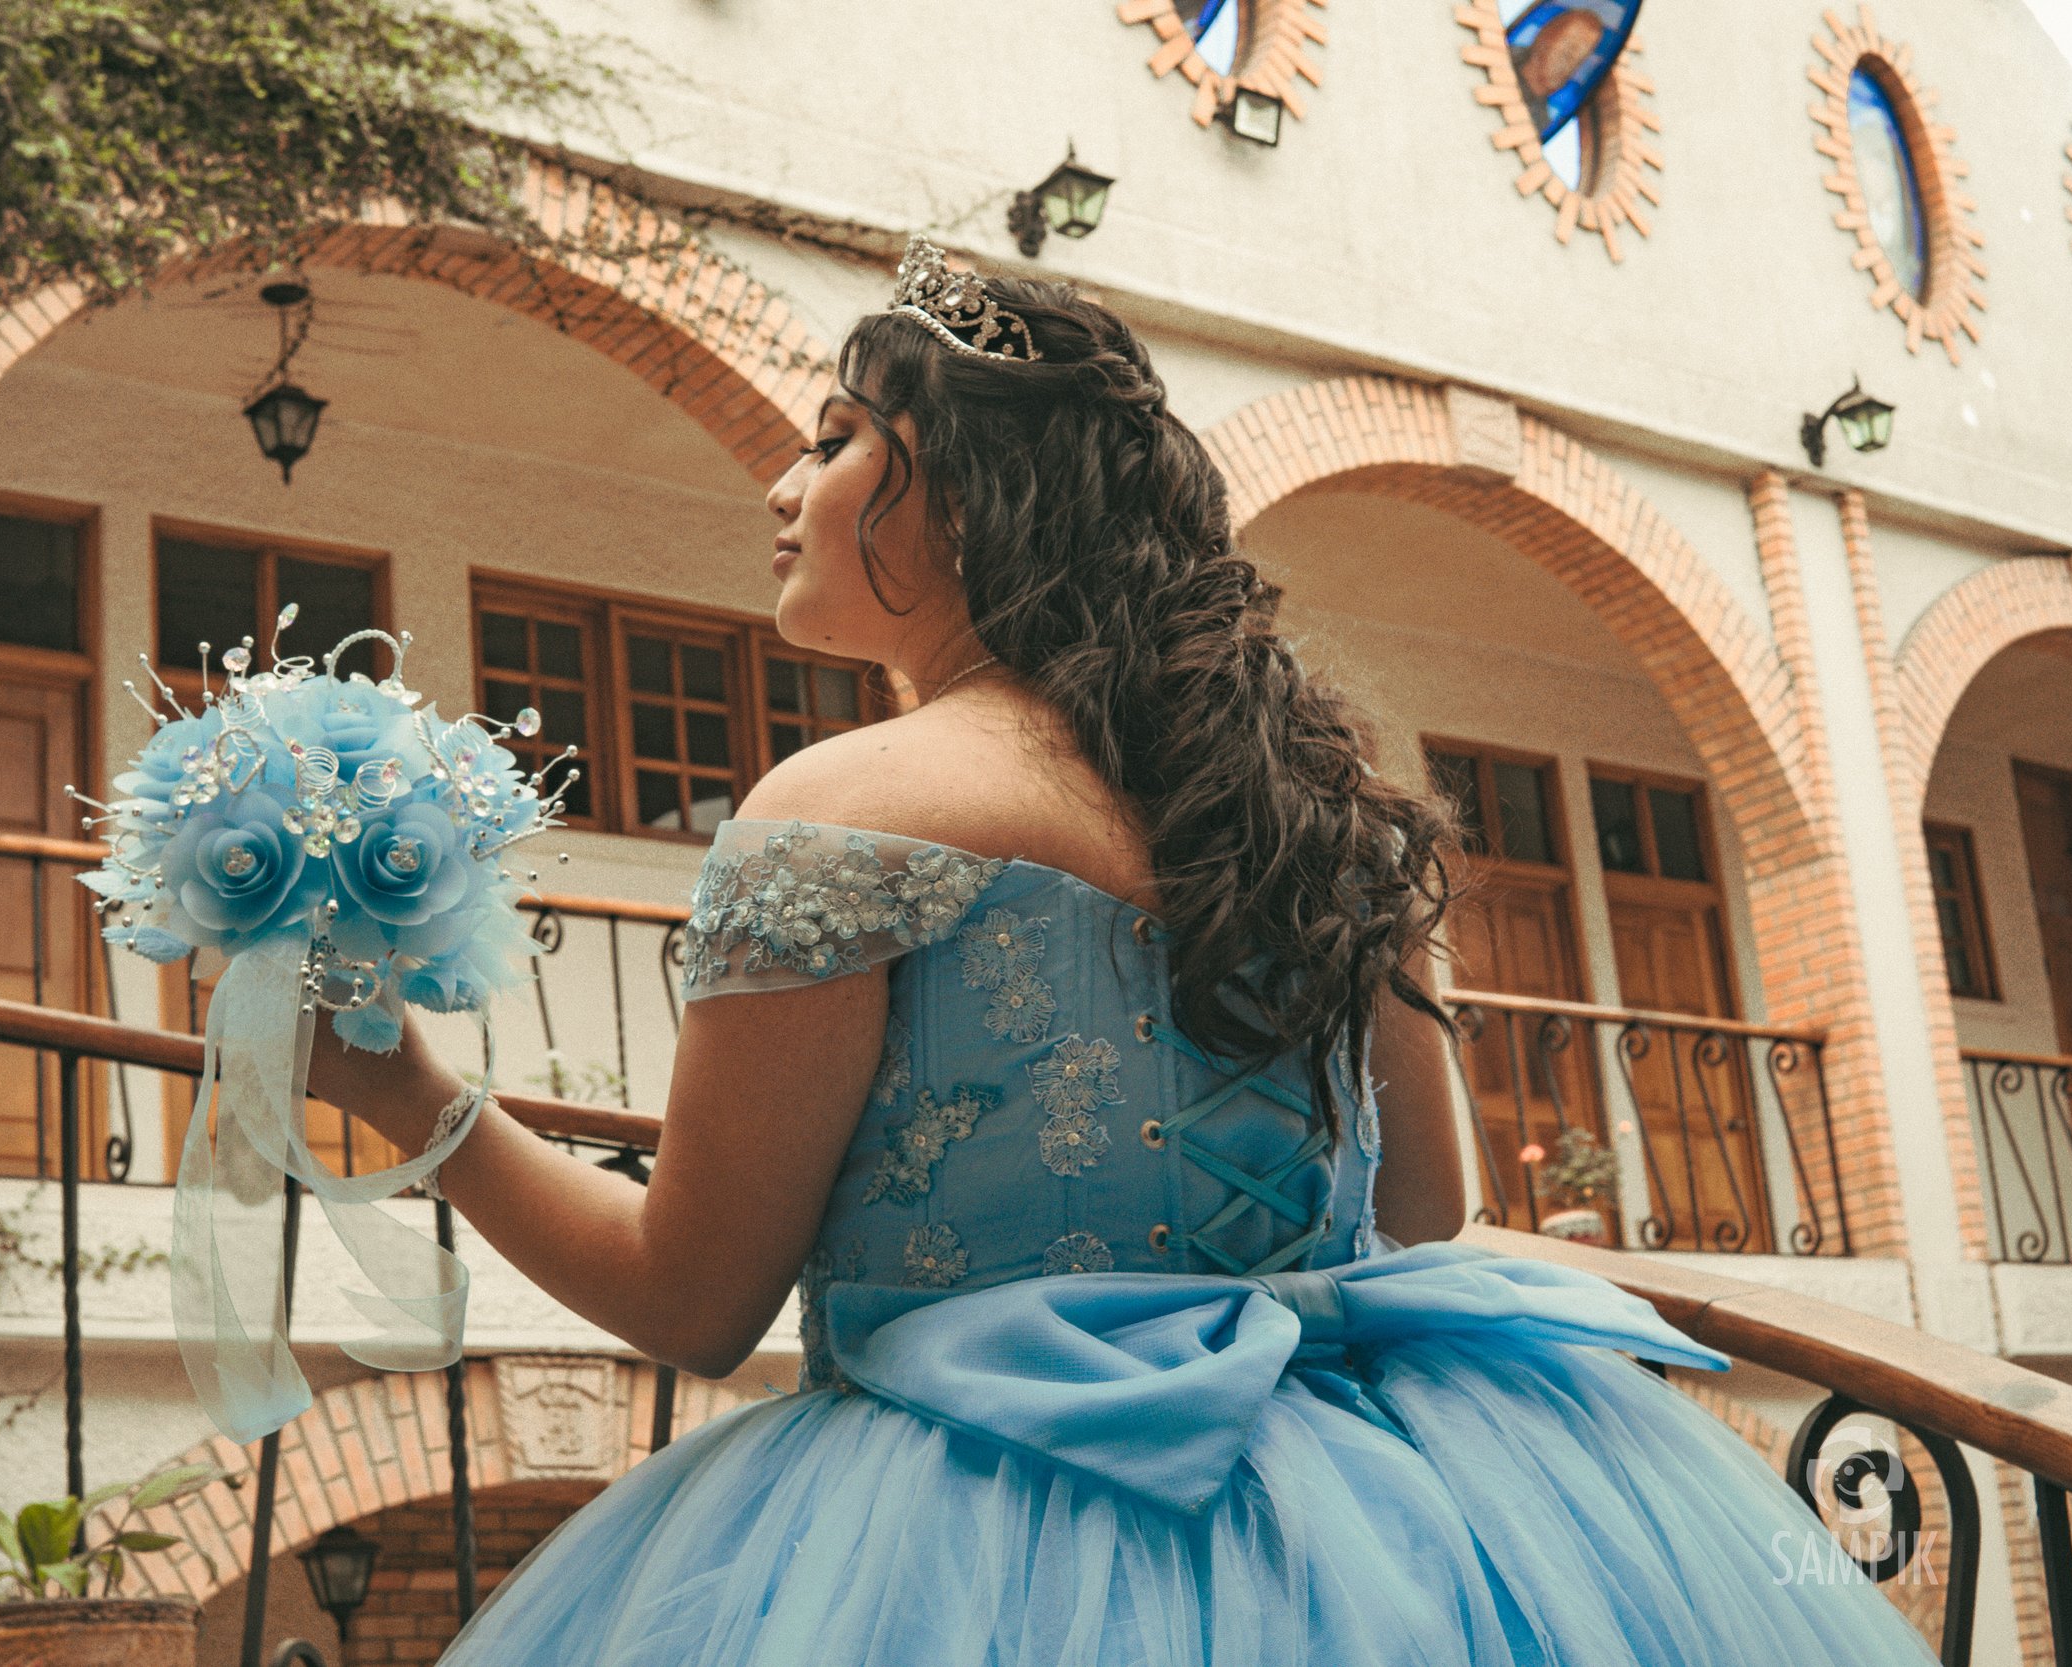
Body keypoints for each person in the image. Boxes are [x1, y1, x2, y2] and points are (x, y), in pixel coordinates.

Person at [306, 237, 1937, 1665]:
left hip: (961, 1527)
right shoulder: (1309, 805)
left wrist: (408, 1095)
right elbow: (1427, 1217)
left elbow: (694, 1299)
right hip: (1410, 1512)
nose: (783, 489)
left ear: (959, 488)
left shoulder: (837, 811)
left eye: (834, 442)